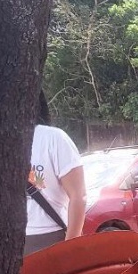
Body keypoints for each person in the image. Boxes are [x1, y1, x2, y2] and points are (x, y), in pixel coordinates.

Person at [25, 92, 86, 256]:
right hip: (8, 241)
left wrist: (70, 247)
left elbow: (78, 196)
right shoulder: (1, 141)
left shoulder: (53, 138)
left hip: (50, 238)